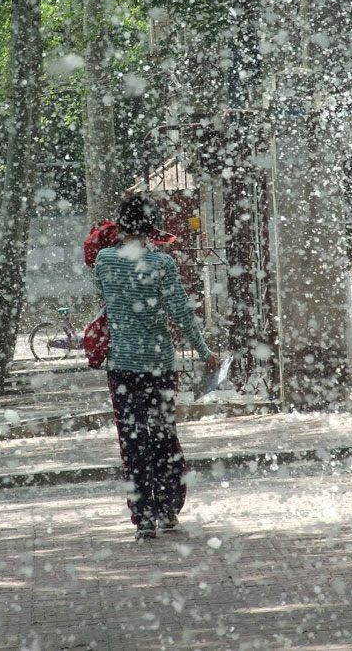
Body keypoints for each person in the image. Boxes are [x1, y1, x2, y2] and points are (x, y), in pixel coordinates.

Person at [94, 193, 219, 540]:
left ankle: (144, 517)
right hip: (158, 366)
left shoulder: (104, 260)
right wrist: (205, 352)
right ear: (152, 227)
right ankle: (167, 508)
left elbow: (99, 288)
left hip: (121, 367)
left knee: (132, 441)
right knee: (163, 436)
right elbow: (181, 314)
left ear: (119, 225)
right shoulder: (162, 264)